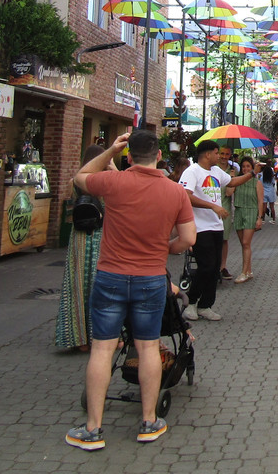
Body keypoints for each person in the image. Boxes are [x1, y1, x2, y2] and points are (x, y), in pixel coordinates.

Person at [65, 130, 196, 451]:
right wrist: (165, 248)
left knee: (102, 349)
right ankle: (149, 422)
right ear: (160, 156)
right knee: (149, 347)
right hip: (150, 278)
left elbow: (81, 176)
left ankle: (93, 429)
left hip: (110, 276)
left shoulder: (114, 183)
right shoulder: (175, 192)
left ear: (128, 156)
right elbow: (189, 239)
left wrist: (109, 150)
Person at [179, 141, 261, 318]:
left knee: (215, 267)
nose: (220, 156)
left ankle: (205, 305)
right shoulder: (192, 172)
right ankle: (191, 302)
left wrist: (252, 173)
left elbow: (232, 182)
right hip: (199, 227)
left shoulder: (216, 172)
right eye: (217, 153)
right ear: (208, 154)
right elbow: (185, 196)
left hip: (216, 226)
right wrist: (212, 207)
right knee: (206, 266)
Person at [56, 145, 110, 350]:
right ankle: (100, 335)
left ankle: (78, 337)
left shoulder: (76, 182)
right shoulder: (104, 183)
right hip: (101, 237)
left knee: (78, 284)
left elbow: (70, 210)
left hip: (79, 238)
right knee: (101, 286)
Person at [231, 156, 265, 283]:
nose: (245, 169)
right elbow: (229, 192)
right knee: (244, 244)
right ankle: (248, 270)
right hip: (239, 211)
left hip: (251, 212)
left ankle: (244, 272)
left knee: (246, 243)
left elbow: (261, 201)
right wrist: (232, 178)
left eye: (248, 167)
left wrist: (259, 218)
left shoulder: (257, 183)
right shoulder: (237, 181)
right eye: (243, 166)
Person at [216, 144, 238, 281]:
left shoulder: (232, 170)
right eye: (222, 154)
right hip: (211, 208)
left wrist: (231, 178)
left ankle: (222, 267)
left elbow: (229, 193)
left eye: (227, 154)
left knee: (224, 239)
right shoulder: (213, 169)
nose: (224, 157)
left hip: (225, 208)